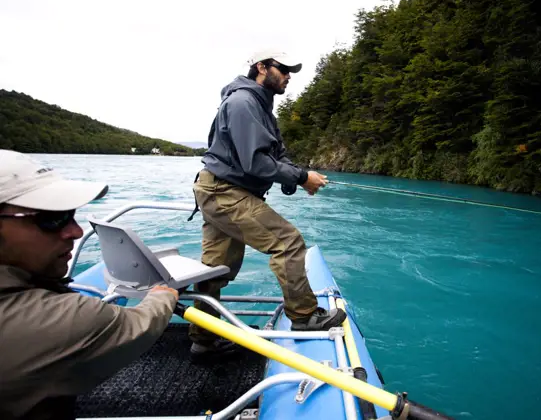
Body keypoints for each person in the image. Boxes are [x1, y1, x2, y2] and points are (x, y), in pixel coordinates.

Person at [0, 150, 179, 420]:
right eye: (51, 218)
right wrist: (162, 296)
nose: (75, 231)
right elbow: (141, 324)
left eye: (69, 214)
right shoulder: (68, 321)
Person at [189, 49, 346, 357]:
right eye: (283, 69)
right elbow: (255, 163)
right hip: (223, 191)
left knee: (215, 270)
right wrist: (301, 177)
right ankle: (304, 318)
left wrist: (293, 179)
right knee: (287, 242)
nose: (288, 75)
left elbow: (276, 157)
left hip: (219, 190)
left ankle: (202, 339)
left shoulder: (261, 108)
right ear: (261, 67)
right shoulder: (244, 103)